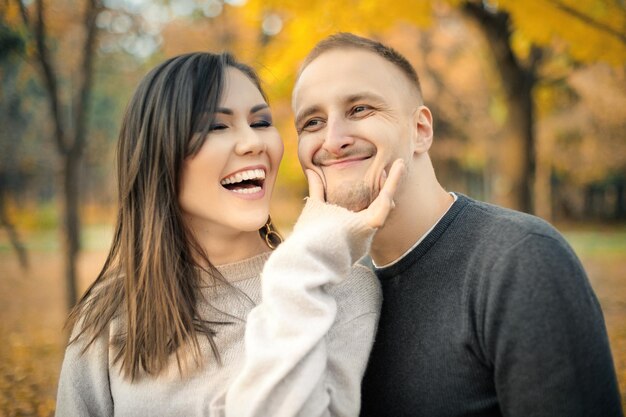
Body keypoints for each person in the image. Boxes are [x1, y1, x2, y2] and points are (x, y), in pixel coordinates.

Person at [55, 51, 404, 417]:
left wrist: (304, 263)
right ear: (160, 155)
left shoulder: (338, 288)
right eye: (217, 127)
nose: (253, 143)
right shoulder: (111, 311)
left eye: (261, 122)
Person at [292, 32, 623, 417]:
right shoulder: (334, 291)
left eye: (360, 109)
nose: (332, 140)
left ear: (421, 131)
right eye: (312, 122)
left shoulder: (518, 259)